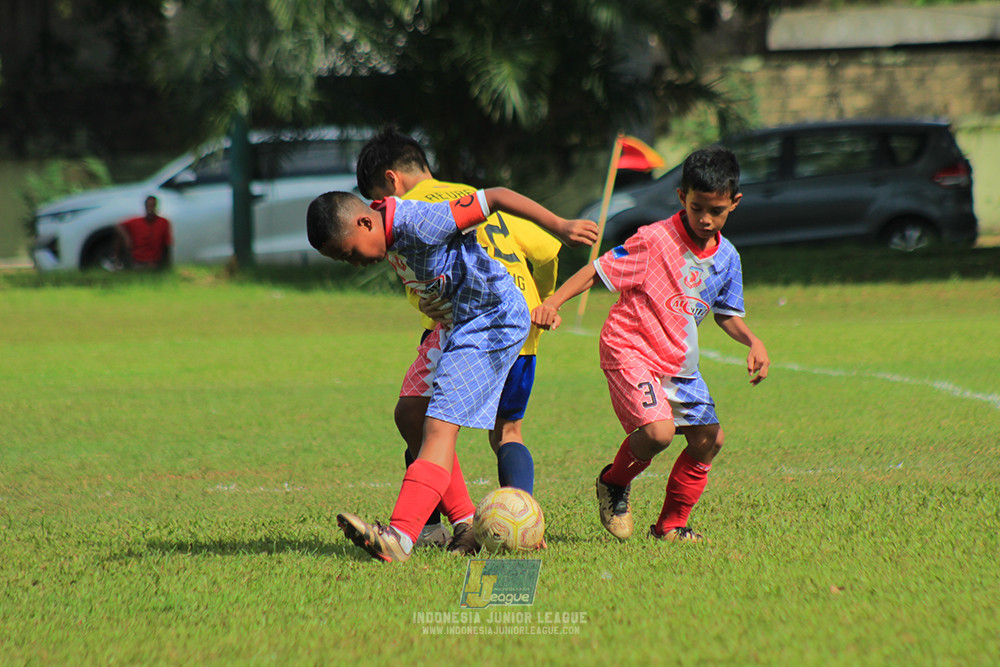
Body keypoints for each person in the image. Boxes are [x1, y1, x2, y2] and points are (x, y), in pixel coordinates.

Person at [306, 186, 597, 562]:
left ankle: (401, 536)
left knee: (440, 429)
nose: (353, 263)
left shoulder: (421, 221)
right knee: (410, 413)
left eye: (349, 253)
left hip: (490, 321)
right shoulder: (383, 221)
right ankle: (465, 524)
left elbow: (495, 197)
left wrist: (560, 225)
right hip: (456, 321)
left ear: (364, 222)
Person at [531, 146, 770, 543]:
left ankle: (670, 527)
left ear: (734, 203)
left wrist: (753, 341)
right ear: (681, 198)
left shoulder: (727, 258)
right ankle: (612, 483)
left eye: (717, 210)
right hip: (630, 348)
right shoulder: (654, 240)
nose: (706, 219)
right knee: (658, 433)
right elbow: (597, 270)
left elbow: (727, 314)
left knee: (709, 440)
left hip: (676, 360)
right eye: (697, 208)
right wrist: (553, 302)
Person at [355, 128, 562, 548]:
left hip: (471, 324)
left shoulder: (403, 210)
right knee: (508, 432)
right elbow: (546, 251)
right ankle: (509, 522)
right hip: (522, 321)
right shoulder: (469, 194)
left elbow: (423, 286)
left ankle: (423, 527)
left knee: (429, 423)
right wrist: (543, 302)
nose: (380, 204)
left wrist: (426, 308)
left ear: (391, 181)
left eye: (378, 194)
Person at [112, 195, 173, 270]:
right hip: (136, 258)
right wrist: (127, 238)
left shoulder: (163, 222)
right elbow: (118, 225)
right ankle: (117, 263)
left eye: (152, 206)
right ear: (145, 207)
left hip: (153, 260)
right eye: (148, 206)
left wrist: (167, 264)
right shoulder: (136, 222)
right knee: (119, 237)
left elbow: (167, 244)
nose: (150, 209)